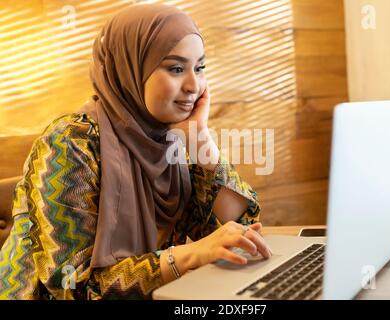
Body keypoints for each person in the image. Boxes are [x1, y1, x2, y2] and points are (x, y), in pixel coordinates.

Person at [0, 3, 271, 300]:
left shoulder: (171, 141)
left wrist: (202, 142)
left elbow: (239, 231)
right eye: (176, 68)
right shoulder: (72, 143)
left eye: (200, 68)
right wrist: (189, 256)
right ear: (129, 68)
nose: (194, 85)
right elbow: (71, 287)